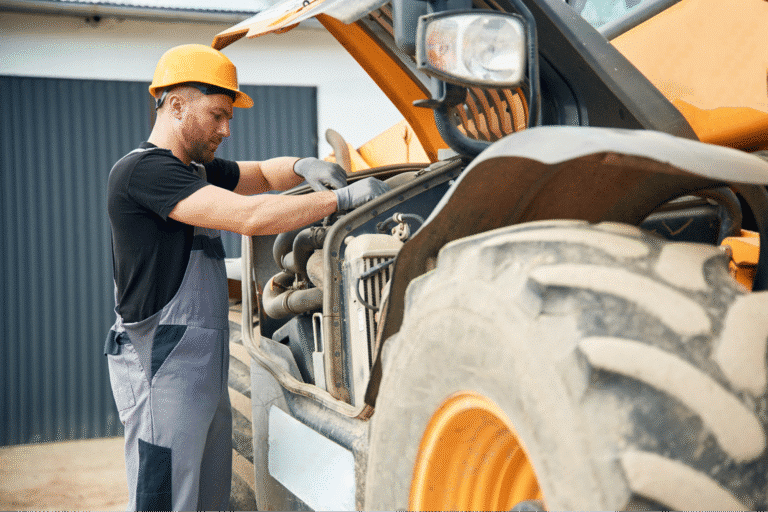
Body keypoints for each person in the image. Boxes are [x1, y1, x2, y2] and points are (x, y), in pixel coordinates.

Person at [104, 43, 389, 511]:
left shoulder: (194, 170)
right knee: (166, 496)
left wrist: (302, 166)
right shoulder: (144, 172)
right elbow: (249, 217)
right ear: (176, 105)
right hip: (161, 367)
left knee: (209, 496)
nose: (226, 128)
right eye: (218, 114)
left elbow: (259, 174)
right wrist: (340, 201)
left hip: (199, 366)